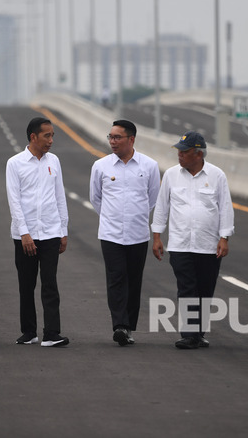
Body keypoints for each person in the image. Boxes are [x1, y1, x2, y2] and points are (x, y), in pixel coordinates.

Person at [152, 131, 234, 349]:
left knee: (205, 289)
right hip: (180, 244)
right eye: (178, 151)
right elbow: (162, 207)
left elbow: (225, 208)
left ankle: (198, 333)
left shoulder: (217, 175)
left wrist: (224, 238)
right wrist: (157, 237)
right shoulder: (171, 175)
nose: (179, 155)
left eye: (184, 151)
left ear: (198, 154)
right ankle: (189, 333)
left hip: (208, 245)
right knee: (187, 288)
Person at [90, 119, 161, 346]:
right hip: (110, 234)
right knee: (116, 278)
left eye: (117, 137)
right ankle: (119, 325)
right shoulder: (101, 166)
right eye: (110, 137)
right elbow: (96, 198)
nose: (112, 141)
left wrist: (134, 215)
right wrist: (113, 217)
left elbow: (152, 198)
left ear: (131, 139)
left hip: (138, 233)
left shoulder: (149, 166)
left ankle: (129, 326)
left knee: (133, 280)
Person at [6, 117, 70, 347]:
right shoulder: (15, 163)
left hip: (51, 232)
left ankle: (52, 333)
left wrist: (63, 230)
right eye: (47, 136)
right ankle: (29, 332)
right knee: (26, 285)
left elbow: (59, 196)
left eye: (52, 135)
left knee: (50, 284)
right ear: (33, 137)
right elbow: (14, 201)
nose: (51, 140)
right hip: (25, 235)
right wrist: (24, 233)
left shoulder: (54, 161)